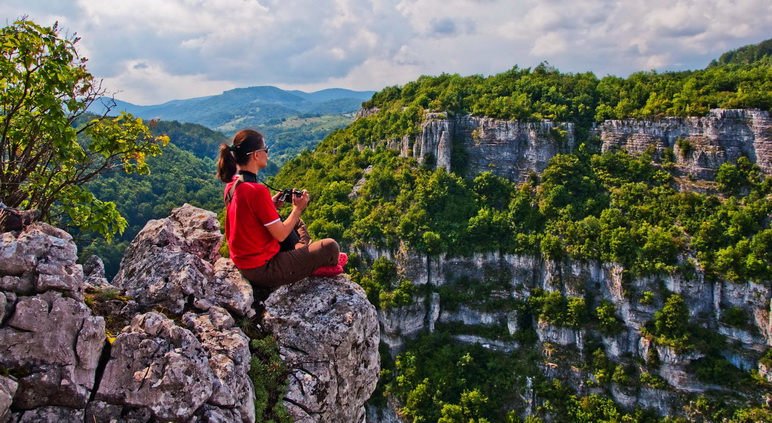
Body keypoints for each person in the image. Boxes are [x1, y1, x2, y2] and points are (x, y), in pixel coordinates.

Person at [216, 129, 346, 288]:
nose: (267, 154)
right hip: (263, 269)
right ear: (256, 155)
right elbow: (281, 235)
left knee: (296, 224)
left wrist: (269, 203)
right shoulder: (256, 191)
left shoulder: (233, 185)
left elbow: (246, 216)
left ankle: (305, 255)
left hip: (245, 262)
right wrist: (298, 208)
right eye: (265, 150)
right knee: (330, 247)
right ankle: (315, 263)